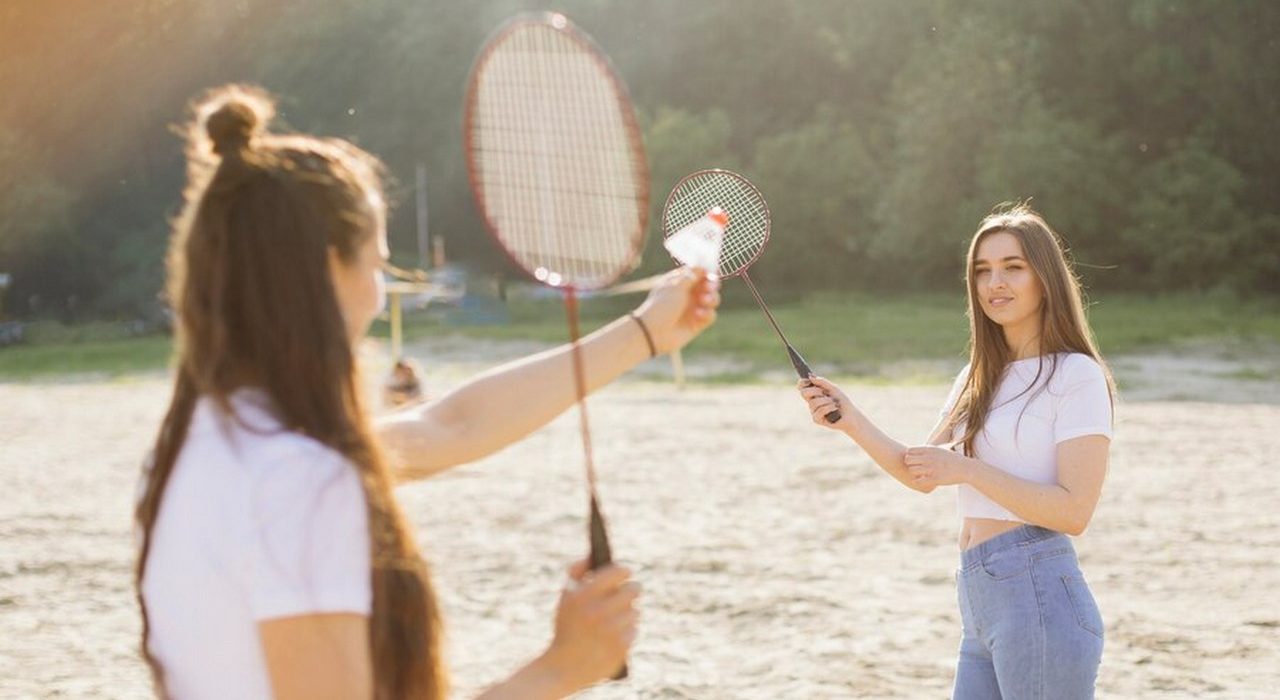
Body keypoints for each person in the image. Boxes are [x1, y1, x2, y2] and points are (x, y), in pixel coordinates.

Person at [135, 84, 720, 700]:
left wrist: (645, 333)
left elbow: (451, 427)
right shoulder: (298, 479)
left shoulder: (211, 442)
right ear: (326, 267)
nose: (378, 294)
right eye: (378, 266)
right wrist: (559, 670)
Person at [798, 204, 1114, 699]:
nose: (996, 283)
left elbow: (1074, 511)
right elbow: (921, 472)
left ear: (1045, 277)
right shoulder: (977, 376)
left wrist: (968, 470)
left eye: (1013, 267)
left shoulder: (1075, 375)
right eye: (983, 271)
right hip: (979, 598)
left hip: (1039, 595)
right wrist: (851, 420)